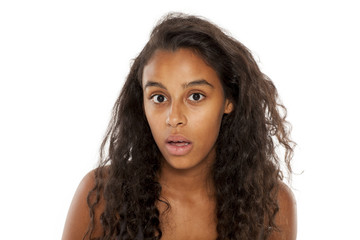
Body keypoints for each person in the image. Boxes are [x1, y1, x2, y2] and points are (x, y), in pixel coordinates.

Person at [62, 13, 297, 240]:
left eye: (195, 96)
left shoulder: (270, 205)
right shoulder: (101, 196)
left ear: (229, 100)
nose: (174, 118)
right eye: (159, 98)